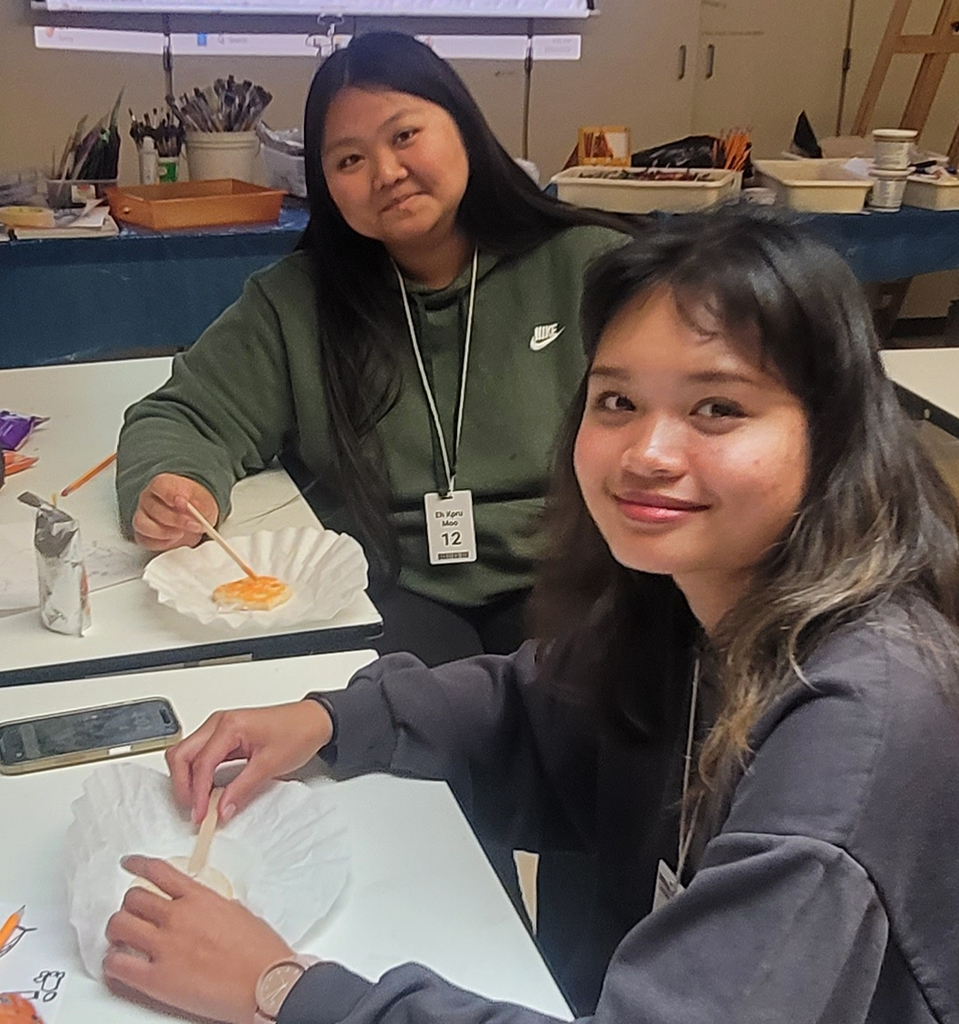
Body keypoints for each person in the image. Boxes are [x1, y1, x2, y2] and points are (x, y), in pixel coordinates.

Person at [103, 209, 959, 1024]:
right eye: (617, 400)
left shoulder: (859, 717)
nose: (647, 453)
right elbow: (541, 703)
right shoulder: (696, 596)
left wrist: (282, 989)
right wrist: (329, 719)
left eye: (718, 408)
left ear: (836, 428)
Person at [116, 31, 632, 666]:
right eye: (349, 160)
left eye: (405, 135)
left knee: (575, 724)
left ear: (463, 125)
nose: (386, 173)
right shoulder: (298, 302)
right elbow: (184, 415)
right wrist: (176, 482)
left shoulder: (589, 267)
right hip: (386, 584)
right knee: (402, 733)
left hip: (567, 577)